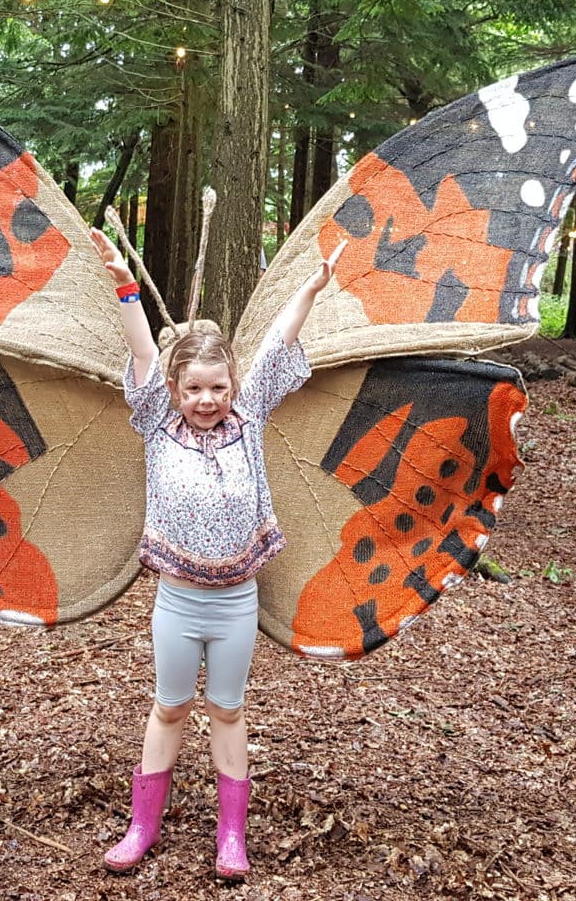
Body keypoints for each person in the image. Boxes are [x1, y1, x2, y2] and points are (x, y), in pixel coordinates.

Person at [87, 227, 343, 881]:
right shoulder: (156, 422)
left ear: (232, 387)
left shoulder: (248, 419)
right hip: (177, 603)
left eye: (217, 388)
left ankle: (232, 836)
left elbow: (279, 342)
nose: (207, 400)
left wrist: (311, 289)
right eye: (194, 389)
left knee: (227, 709)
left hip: (235, 605)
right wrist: (124, 283)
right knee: (170, 706)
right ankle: (142, 826)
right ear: (174, 390)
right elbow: (142, 348)